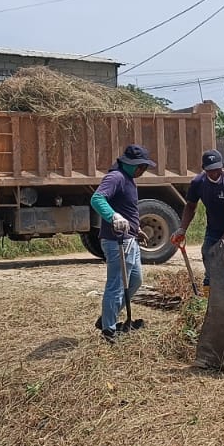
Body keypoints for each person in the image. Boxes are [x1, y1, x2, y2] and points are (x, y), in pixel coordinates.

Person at [90, 144, 154, 342]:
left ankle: (107, 318)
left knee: (135, 280)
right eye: (143, 167)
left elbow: (127, 209)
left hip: (130, 238)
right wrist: (113, 216)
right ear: (135, 165)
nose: (144, 171)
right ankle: (109, 331)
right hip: (116, 241)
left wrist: (136, 229)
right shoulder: (115, 177)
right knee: (116, 285)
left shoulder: (128, 179)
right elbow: (97, 199)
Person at [172, 149, 224, 287]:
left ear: (222, 166)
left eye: (217, 169)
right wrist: (182, 229)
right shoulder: (198, 183)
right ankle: (209, 297)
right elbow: (190, 206)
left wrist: (223, 241)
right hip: (213, 231)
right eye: (210, 170)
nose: (214, 173)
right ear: (204, 169)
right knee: (210, 270)